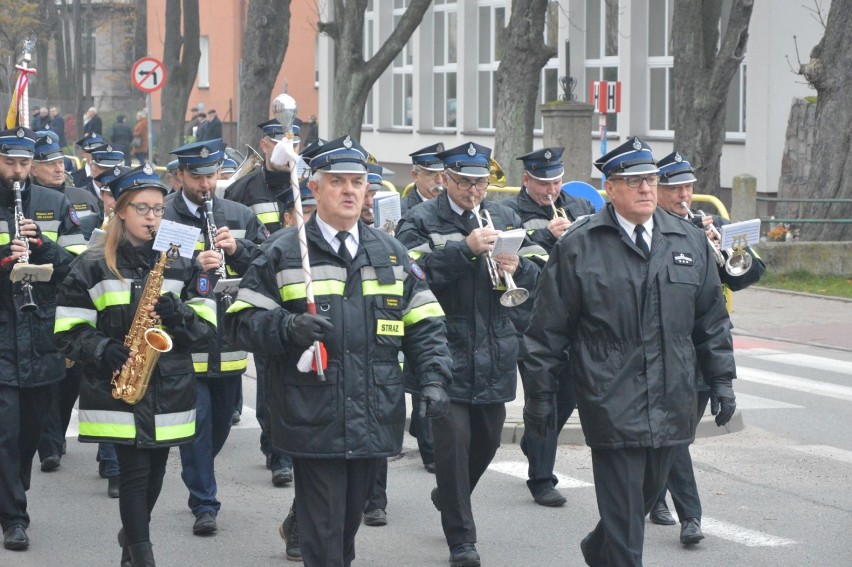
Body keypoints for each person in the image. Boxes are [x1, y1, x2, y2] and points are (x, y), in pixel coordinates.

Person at [223, 134, 452, 567]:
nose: (349, 191)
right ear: (314, 188)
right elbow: (239, 323)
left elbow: (425, 324)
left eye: (357, 182)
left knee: (346, 524)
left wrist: (435, 379)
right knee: (325, 530)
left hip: (373, 410)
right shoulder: (286, 253)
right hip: (312, 409)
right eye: (337, 181)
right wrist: (287, 327)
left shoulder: (390, 254)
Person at [522, 137, 738, 567]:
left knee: (643, 497)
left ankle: (597, 550)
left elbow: (710, 320)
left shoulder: (687, 240)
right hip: (610, 396)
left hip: (673, 396)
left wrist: (721, 380)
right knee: (625, 518)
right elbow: (547, 331)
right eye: (633, 180)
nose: (645, 189)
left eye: (651, 180)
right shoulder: (580, 245)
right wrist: (541, 400)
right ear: (610, 189)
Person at [54, 164, 216, 566]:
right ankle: (142, 555)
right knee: (134, 473)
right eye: (143, 208)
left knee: (156, 472)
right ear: (121, 211)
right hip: (116, 385)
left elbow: (209, 327)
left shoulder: (180, 261)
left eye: (159, 209)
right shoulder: (92, 264)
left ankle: (132, 536)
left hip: (169, 386)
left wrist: (180, 315)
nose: (152, 217)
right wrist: (100, 348)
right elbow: (66, 329)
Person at [396, 142, 545, 567]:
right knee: (453, 446)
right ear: (444, 179)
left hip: (496, 350)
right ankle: (462, 539)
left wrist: (519, 267)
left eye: (480, 182)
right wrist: (465, 249)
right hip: (445, 350)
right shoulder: (420, 219)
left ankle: (448, 494)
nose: (474, 191)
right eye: (464, 182)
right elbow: (413, 274)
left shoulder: (504, 216)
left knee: (487, 440)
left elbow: (539, 272)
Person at [648, 151, 765, 544]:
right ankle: (690, 517)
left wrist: (729, 245)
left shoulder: (705, 224)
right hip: (666, 347)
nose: (684, 195)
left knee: (675, 435)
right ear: (657, 189)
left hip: (705, 347)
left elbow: (745, 278)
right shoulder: (652, 229)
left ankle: (654, 494)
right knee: (675, 434)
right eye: (675, 188)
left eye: (688, 187)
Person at [165, 139, 266, 536]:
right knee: (198, 425)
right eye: (198, 176)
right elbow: (156, 276)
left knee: (219, 424)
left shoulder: (237, 214)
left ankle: (200, 467)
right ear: (180, 176)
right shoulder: (167, 217)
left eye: (212, 175)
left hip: (229, 341)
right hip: (186, 341)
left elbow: (267, 261)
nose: (207, 184)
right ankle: (204, 502)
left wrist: (237, 249)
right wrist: (193, 263)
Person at [503, 147, 595, 507]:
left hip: (573, 319)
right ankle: (542, 479)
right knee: (541, 397)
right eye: (543, 183)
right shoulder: (507, 211)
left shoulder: (579, 206)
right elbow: (512, 257)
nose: (551, 191)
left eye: (556, 181)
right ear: (527, 180)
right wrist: (547, 237)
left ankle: (535, 443)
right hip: (531, 321)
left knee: (568, 395)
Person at [0, 127, 77, 552]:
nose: (17, 172)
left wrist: (43, 247)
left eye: (23, 163)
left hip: (41, 334)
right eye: (9, 162)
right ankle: (14, 517)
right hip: (2, 333)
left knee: (29, 433)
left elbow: (77, 270)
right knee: (5, 433)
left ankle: (12, 489)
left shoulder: (54, 203)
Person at [224, 118, 300, 487]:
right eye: (279, 140)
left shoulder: (308, 184)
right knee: (270, 375)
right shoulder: (241, 189)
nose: (287, 148)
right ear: (265, 145)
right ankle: (277, 453)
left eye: (293, 141)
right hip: (264, 287)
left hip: (304, 288)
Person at [401, 143, 446, 216]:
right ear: (415, 175)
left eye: (443, 173)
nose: (440, 180)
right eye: (432, 173)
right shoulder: (401, 212)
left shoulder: (454, 204)